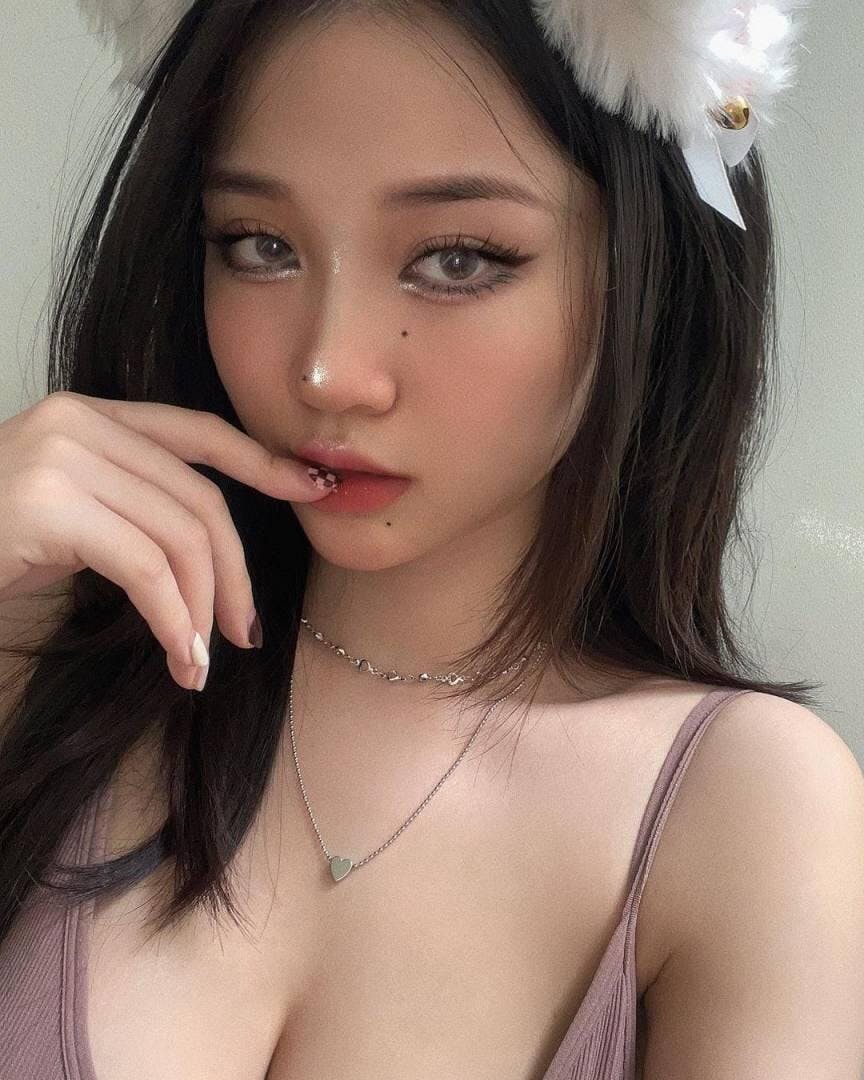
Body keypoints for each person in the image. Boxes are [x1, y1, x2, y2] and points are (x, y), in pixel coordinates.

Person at [1, 1, 863, 1078]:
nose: (328, 371)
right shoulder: (44, 643)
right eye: (260, 245)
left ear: (650, 278)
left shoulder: (745, 807)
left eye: (456, 260)